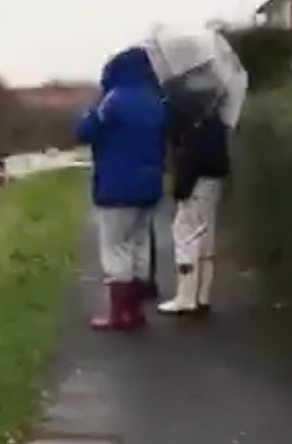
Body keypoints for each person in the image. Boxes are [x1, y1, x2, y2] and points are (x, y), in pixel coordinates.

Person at [75, 47, 167, 331]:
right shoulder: (156, 100)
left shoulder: (112, 100)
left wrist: (90, 110)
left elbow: (84, 132)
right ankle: (136, 311)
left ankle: (118, 314)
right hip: (149, 184)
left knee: (116, 248)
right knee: (140, 245)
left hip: (117, 185)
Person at [156, 101, 229, 315]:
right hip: (214, 180)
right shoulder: (214, 116)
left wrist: (180, 189)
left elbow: (188, 157)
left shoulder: (189, 118)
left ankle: (186, 296)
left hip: (196, 183)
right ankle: (202, 294)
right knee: (206, 235)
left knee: (185, 237)